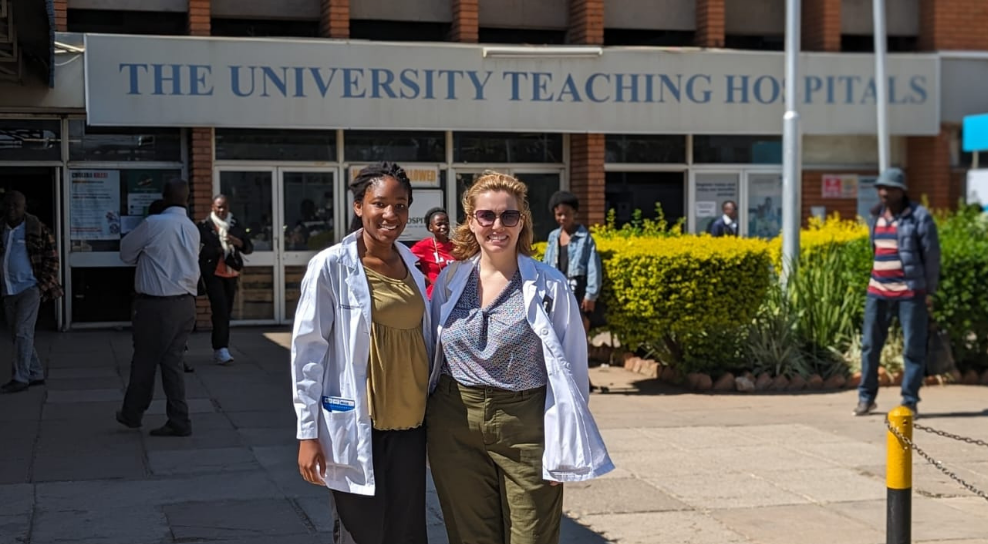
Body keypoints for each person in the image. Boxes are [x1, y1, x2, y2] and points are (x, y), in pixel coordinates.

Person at [428, 172, 613, 544]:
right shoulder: (450, 280)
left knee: (532, 535)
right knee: (469, 537)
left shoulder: (550, 285)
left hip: (526, 427)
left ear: (522, 221)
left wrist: (564, 444)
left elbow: (573, 372)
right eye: (486, 216)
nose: (498, 226)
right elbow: (431, 349)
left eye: (508, 216)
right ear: (471, 220)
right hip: (454, 423)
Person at [292, 162, 432, 544]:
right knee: (362, 534)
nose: (391, 215)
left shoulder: (415, 265)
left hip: (411, 425)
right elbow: (307, 353)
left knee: (407, 532)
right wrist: (308, 434)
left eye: (401, 205)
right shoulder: (331, 266)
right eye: (380, 204)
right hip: (358, 425)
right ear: (359, 207)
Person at [116, 179, 200, 437]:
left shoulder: (154, 224)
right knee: (172, 363)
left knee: (144, 361)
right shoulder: (191, 227)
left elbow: (125, 253)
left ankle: (132, 414)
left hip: (157, 306)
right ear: (187, 199)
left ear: (164, 197)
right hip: (185, 304)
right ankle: (179, 418)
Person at [855, 168, 940, 417]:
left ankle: (910, 400)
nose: (883, 192)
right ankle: (866, 398)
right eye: (880, 188)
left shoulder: (919, 217)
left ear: (901, 190)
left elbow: (932, 258)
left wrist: (928, 291)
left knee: (913, 348)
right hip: (877, 292)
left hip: (909, 294)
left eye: (889, 188)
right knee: (870, 347)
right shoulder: (876, 216)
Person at [543, 190, 607, 394]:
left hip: (578, 292)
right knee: (559, 336)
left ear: (575, 213)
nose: (562, 218)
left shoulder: (584, 237)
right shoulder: (553, 236)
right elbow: (546, 264)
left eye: (566, 214)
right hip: (558, 292)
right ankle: (566, 379)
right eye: (558, 214)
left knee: (580, 339)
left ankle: (582, 379)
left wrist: (591, 295)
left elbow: (593, 268)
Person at [0, 191, 63, 394]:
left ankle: (20, 378)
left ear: (24, 207)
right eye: (8, 205)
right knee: (18, 335)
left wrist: (40, 286)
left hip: (29, 288)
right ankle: (35, 372)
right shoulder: (1, 228)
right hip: (8, 289)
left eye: (16, 205)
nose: (12, 209)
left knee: (21, 332)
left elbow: (53, 260)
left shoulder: (37, 229)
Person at [198, 194, 253, 365]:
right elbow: (199, 251)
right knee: (220, 310)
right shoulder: (204, 226)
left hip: (231, 273)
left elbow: (248, 247)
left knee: (226, 312)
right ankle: (221, 349)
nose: (222, 210)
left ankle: (221, 347)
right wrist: (218, 250)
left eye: (225, 207)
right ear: (213, 207)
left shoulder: (235, 224)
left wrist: (238, 242)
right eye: (218, 207)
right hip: (213, 273)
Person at [409, 206, 454, 298]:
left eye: (446, 224)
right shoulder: (424, 246)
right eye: (439, 224)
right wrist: (421, 277)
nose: (444, 227)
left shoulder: (457, 246)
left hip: (454, 295)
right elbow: (404, 260)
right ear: (430, 227)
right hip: (433, 296)